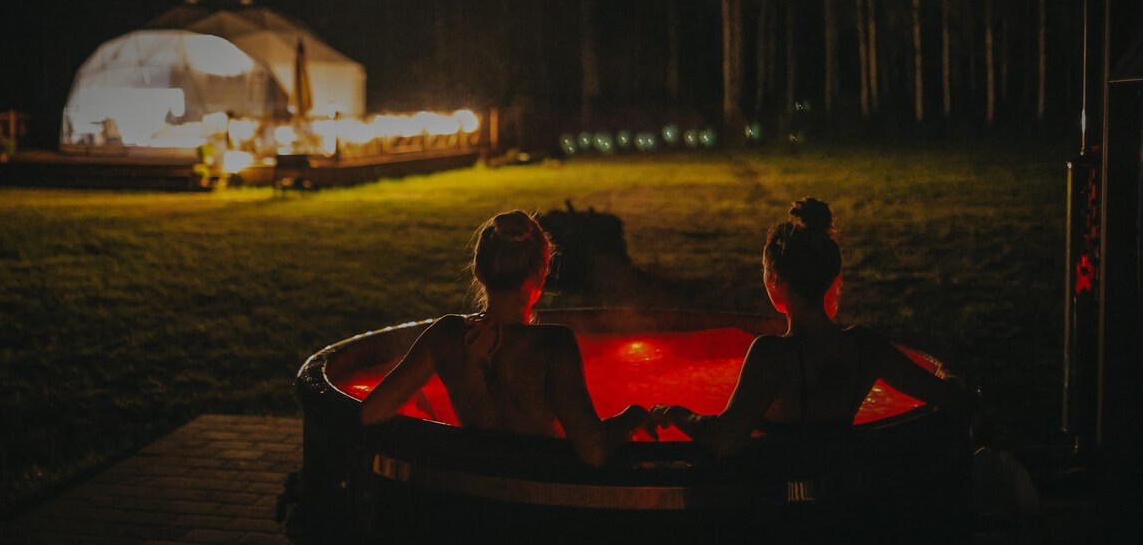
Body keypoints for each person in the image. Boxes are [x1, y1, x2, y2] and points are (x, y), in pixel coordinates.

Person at [650, 198, 967, 456]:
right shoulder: (864, 347)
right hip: (842, 495)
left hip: (780, 505)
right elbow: (951, 397)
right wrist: (951, 370)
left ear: (777, 282)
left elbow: (724, 438)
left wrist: (675, 413)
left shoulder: (771, 355)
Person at [360, 210, 652, 466]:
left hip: (472, 491)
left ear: (478, 270)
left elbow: (372, 413)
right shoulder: (552, 344)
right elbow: (593, 451)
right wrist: (634, 416)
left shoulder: (445, 334)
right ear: (542, 272)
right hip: (543, 495)